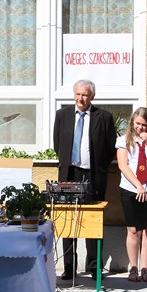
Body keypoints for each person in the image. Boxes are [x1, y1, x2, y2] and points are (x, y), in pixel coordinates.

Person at [53, 79, 116, 280]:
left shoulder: (104, 117)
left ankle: (94, 267)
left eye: (85, 95)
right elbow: (57, 144)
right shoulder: (62, 115)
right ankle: (69, 267)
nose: (81, 98)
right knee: (68, 219)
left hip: (93, 174)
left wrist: (100, 166)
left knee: (93, 220)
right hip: (69, 173)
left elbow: (110, 147)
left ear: (92, 97)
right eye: (78, 94)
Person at [116, 107, 147, 282]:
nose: (140, 128)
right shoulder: (124, 140)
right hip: (131, 188)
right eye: (137, 124)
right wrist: (138, 185)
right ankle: (133, 268)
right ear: (132, 123)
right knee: (133, 230)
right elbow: (123, 165)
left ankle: (145, 268)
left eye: (144, 125)